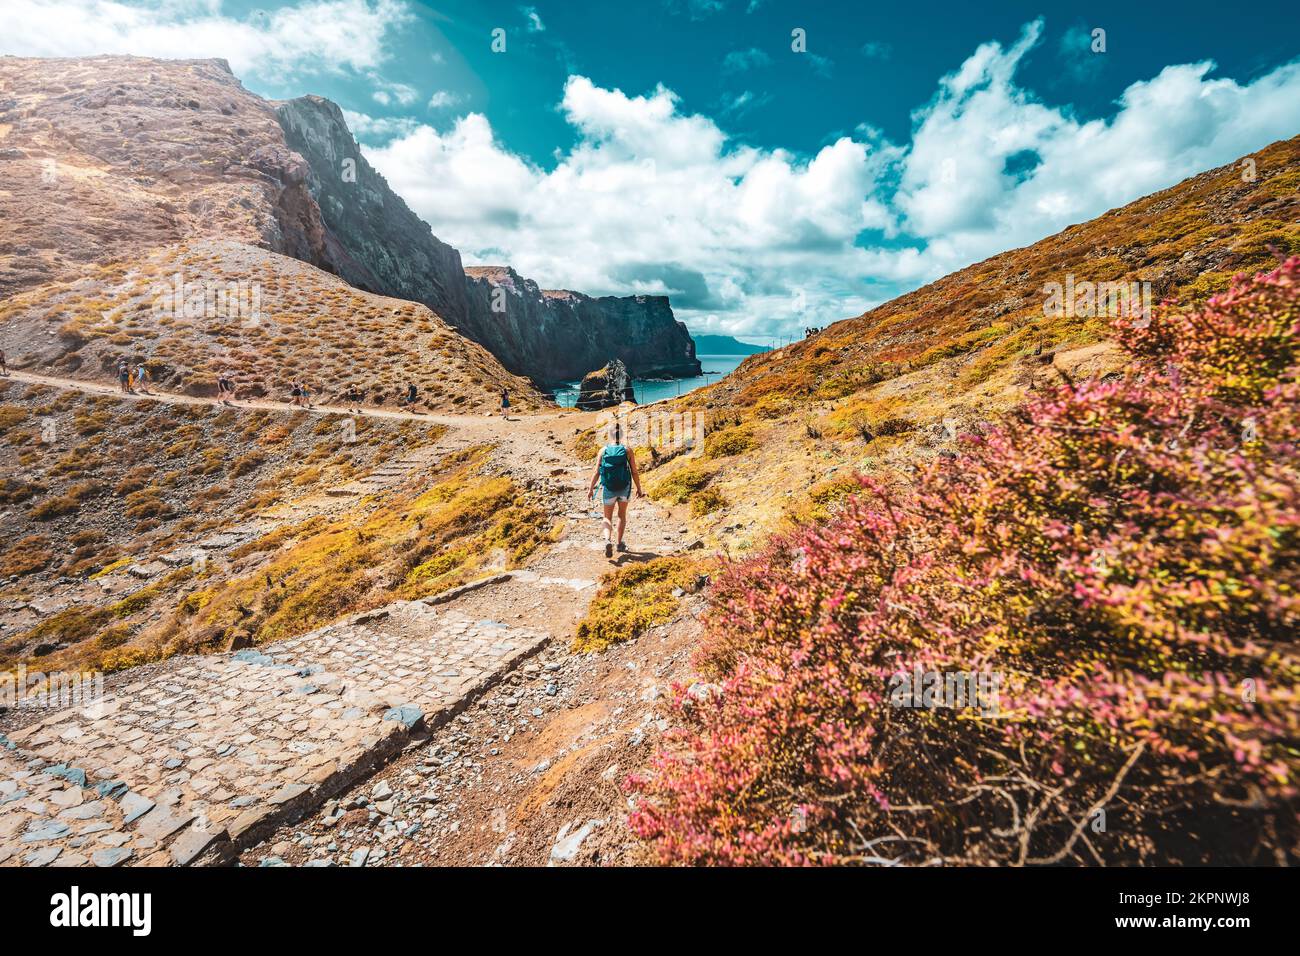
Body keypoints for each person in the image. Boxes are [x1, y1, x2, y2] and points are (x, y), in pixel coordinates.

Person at [587, 422, 643, 559]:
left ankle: (607, 540)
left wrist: (590, 489)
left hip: (609, 488)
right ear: (622, 434)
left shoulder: (603, 450)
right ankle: (619, 544)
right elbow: (634, 472)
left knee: (607, 517)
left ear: (609, 435)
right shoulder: (627, 450)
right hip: (624, 488)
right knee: (622, 515)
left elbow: (597, 472)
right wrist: (639, 489)